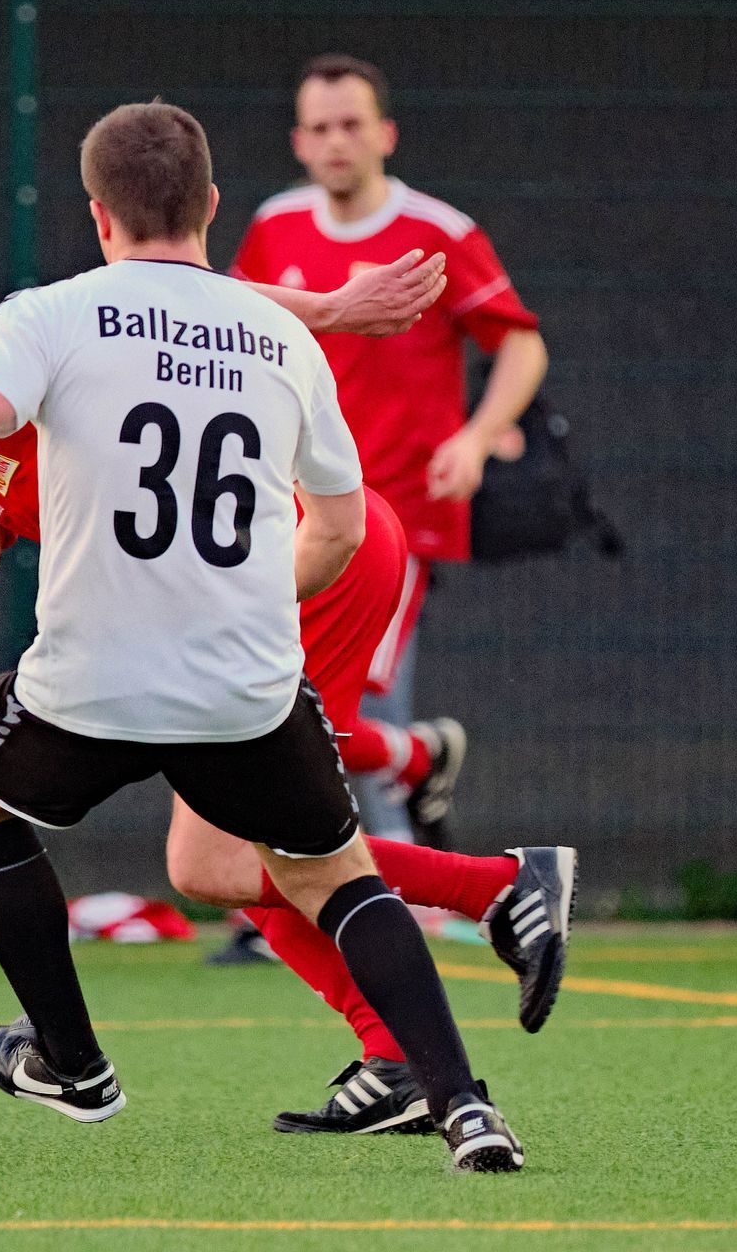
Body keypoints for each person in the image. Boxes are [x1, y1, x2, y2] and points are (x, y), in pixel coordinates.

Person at [0, 103, 527, 1169]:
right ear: (212, 205)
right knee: (313, 871)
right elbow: (334, 514)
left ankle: (74, 1059)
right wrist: (326, 314)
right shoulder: (274, 337)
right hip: (243, 662)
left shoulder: (39, 324)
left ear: (97, 217)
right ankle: (466, 1102)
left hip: (105, 675)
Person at [231, 55, 549, 848]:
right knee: (279, 694)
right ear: (299, 142)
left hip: (396, 511)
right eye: (320, 128)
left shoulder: (437, 232)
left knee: (352, 700)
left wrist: (476, 437)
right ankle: (403, 792)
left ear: (387, 134)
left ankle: (401, 877)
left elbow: (521, 344)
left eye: (352, 124)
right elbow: (233, 327)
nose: (337, 141)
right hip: (291, 509)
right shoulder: (276, 225)